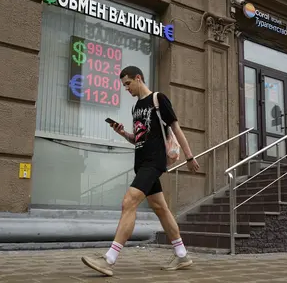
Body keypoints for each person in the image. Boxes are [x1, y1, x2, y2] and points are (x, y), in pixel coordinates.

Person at [81, 66, 200, 276]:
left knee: (129, 202)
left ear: (138, 78)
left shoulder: (158, 99)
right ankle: (182, 255)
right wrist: (123, 133)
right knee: (160, 208)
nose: (126, 88)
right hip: (142, 163)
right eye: (124, 85)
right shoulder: (136, 108)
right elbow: (139, 138)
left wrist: (190, 156)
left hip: (154, 162)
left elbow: (175, 128)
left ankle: (109, 259)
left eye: (128, 83)